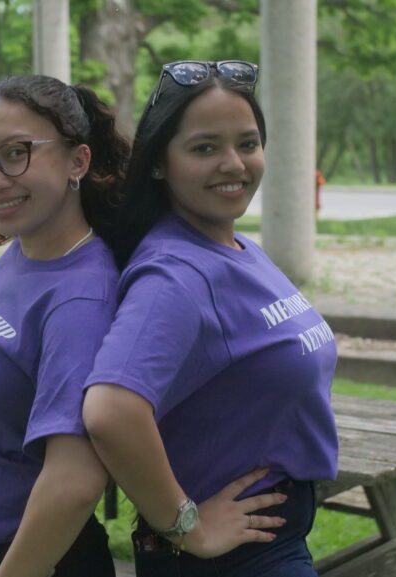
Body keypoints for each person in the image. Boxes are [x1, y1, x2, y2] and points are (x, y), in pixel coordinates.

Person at [82, 60, 340, 576]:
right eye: (205, 148)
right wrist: (188, 527)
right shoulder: (176, 276)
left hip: (273, 540)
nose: (234, 164)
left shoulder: (232, 244)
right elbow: (110, 412)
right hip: (234, 560)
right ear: (159, 163)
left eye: (247, 144)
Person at [0, 74, 129, 577]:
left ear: (78, 161)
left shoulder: (80, 298)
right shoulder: (27, 250)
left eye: (17, 153)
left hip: (28, 557)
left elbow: (78, 477)